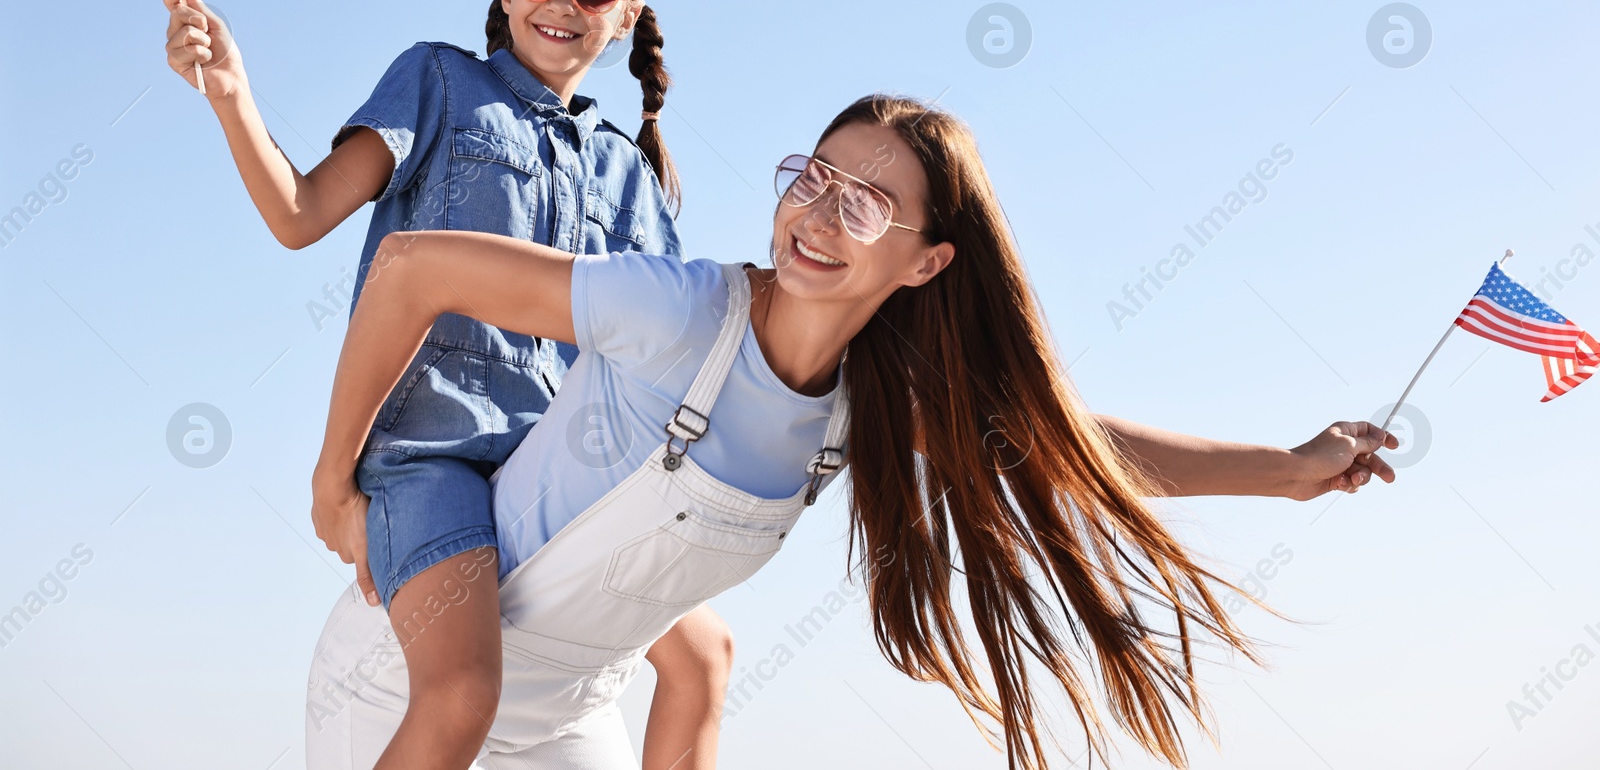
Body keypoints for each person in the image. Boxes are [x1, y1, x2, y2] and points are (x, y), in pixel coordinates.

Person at [303, 94, 1398, 769]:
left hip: (570, 715)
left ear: (925, 261)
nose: (820, 214)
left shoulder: (862, 404)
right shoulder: (676, 307)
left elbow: (1070, 446)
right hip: (411, 690)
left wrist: (1292, 470)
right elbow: (413, 267)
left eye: (866, 203)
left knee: (704, 657)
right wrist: (334, 479)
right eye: (813, 178)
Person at [162, 0, 734, 770]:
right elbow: (300, 211)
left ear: (624, 17)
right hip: (436, 455)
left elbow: (656, 363)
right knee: (466, 686)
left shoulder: (633, 175)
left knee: (704, 656)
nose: (561, 2)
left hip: (563, 472)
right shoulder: (438, 81)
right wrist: (232, 95)